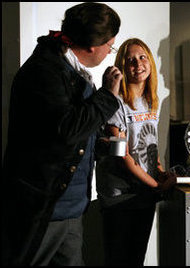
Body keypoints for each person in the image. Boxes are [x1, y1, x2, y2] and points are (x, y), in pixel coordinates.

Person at [1, 2, 122, 266]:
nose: (109, 52)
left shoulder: (70, 71)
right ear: (93, 46)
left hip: (69, 210)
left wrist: (98, 146)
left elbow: (68, 134)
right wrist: (107, 96)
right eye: (110, 46)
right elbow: (65, 130)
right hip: (43, 210)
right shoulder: (44, 71)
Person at [95, 38, 176, 266]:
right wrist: (157, 186)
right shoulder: (116, 103)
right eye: (130, 60)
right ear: (121, 67)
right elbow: (122, 156)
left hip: (144, 193)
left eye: (142, 57)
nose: (138, 64)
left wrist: (159, 173)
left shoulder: (151, 102)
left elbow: (151, 146)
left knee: (137, 259)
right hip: (120, 196)